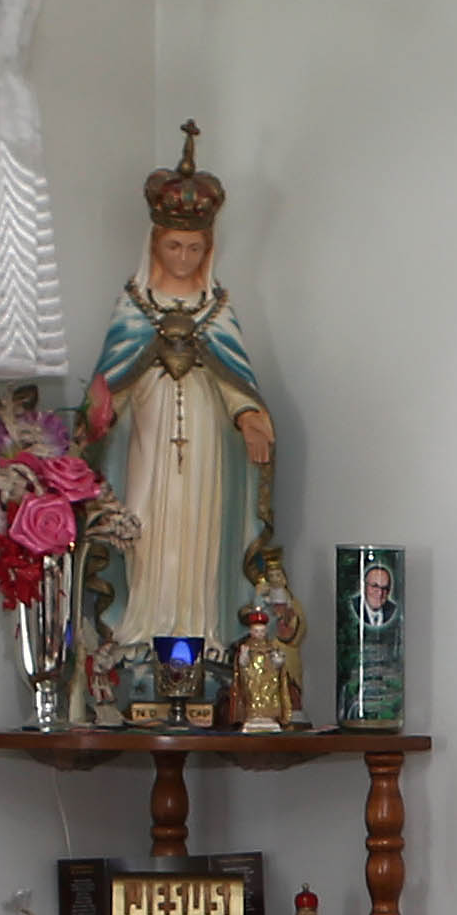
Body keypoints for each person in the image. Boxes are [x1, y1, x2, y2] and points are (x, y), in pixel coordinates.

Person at [82, 124, 272, 655]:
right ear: (154, 244)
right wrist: (98, 413)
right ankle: (143, 631)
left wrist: (249, 416)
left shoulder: (218, 309)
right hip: (149, 432)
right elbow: (112, 378)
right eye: (173, 246)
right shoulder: (133, 307)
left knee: (198, 531)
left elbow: (237, 377)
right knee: (146, 525)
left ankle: (199, 633)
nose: (184, 258)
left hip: (206, 436)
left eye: (194, 248)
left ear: (208, 249)